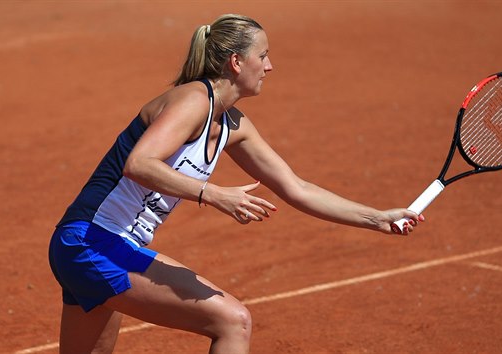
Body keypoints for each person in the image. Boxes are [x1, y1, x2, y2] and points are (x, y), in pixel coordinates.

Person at [48, 13, 423, 354]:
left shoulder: (232, 125)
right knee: (233, 322)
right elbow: (139, 163)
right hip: (91, 241)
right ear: (236, 62)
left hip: (98, 246)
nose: (270, 66)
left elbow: (296, 187)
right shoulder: (192, 101)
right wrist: (212, 194)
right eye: (263, 56)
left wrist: (376, 218)